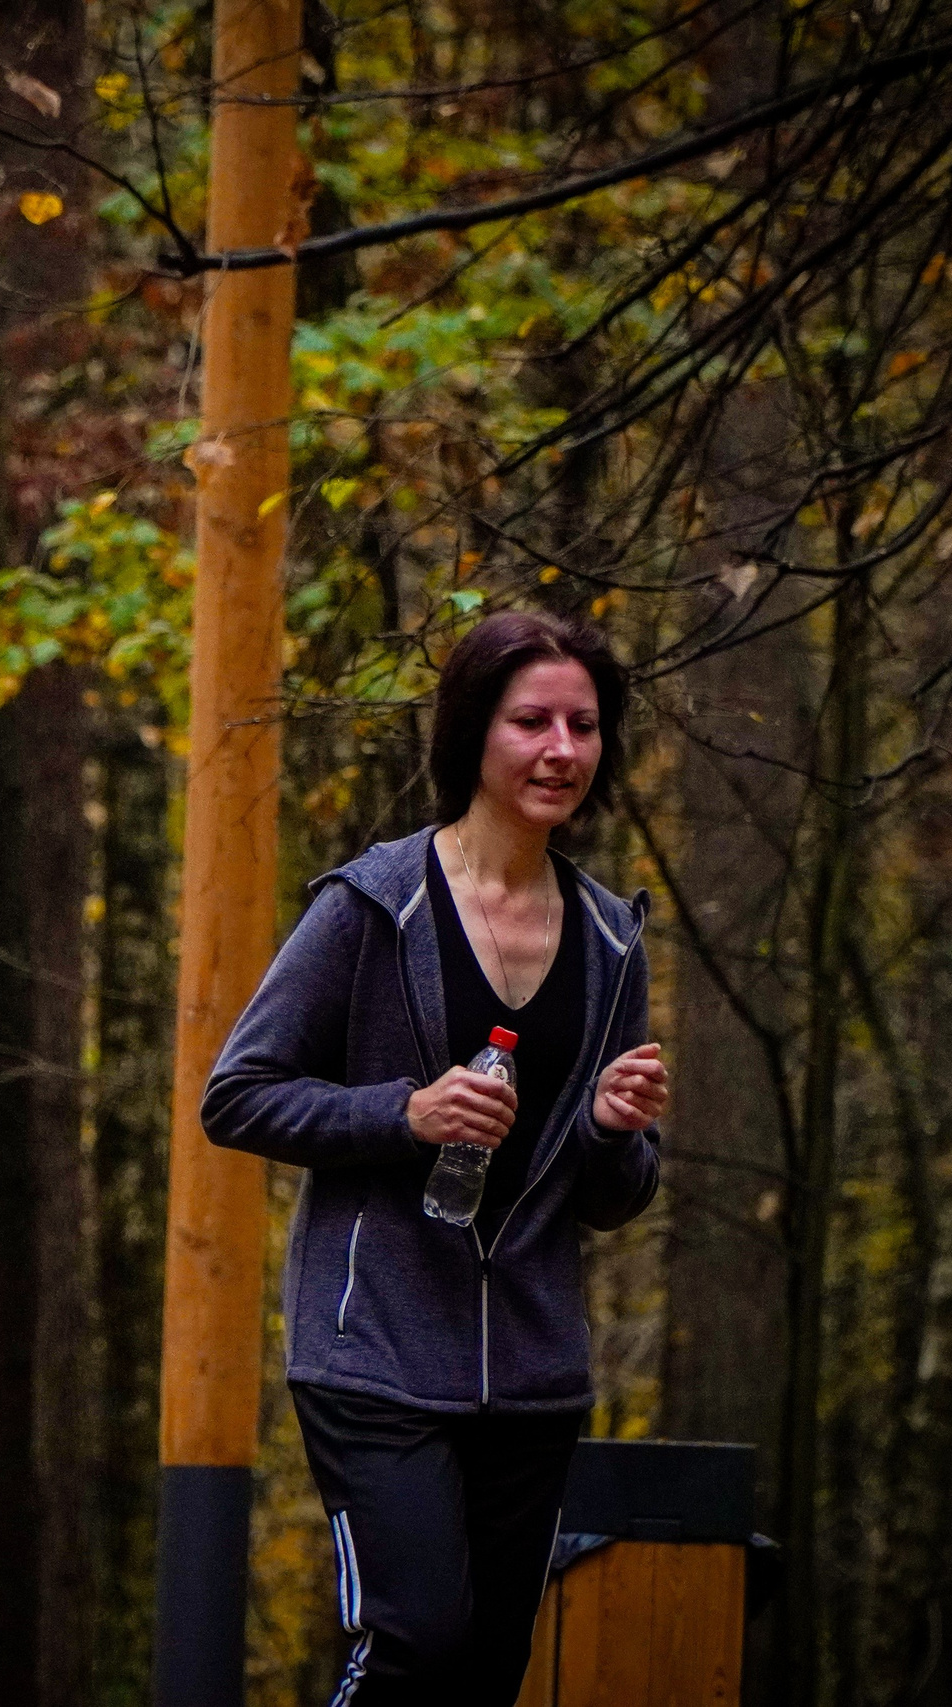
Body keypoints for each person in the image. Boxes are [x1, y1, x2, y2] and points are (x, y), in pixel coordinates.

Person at [201, 609, 670, 1706]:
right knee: (417, 1639)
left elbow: (615, 1196)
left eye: (583, 725)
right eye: (531, 722)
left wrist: (611, 1129)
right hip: (375, 1346)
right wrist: (402, 1114)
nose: (561, 749)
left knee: (486, 1672)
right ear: (473, 733)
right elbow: (238, 1095)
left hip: (534, 1369)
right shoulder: (374, 903)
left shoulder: (612, 941)